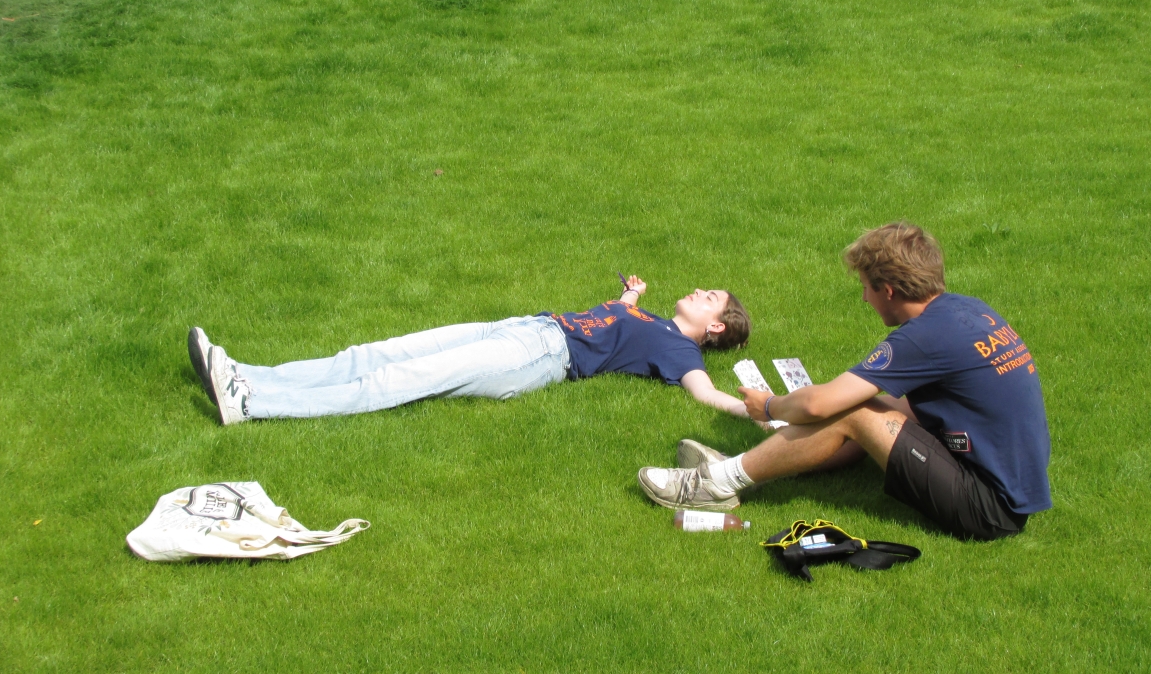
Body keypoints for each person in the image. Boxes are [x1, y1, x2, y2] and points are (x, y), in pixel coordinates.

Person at [637, 222, 1051, 541]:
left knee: (854, 412)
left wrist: (769, 407)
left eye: (867, 288)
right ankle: (756, 464)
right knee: (863, 409)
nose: (865, 298)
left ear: (889, 291)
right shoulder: (969, 310)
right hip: (1009, 486)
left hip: (989, 509)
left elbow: (820, 405)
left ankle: (716, 483)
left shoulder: (925, 336)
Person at [189, 276, 752, 425]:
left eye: (710, 297)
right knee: (371, 354)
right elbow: (621, 321)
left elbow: (703, 393)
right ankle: (246, 372)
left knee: (399, 380)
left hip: (537, 358)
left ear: (715, 327)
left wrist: (759, 409)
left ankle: (252, 404)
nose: (699, 291)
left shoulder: (682, 353)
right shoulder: (654, 321)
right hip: (523, 327)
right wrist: (631, 296)